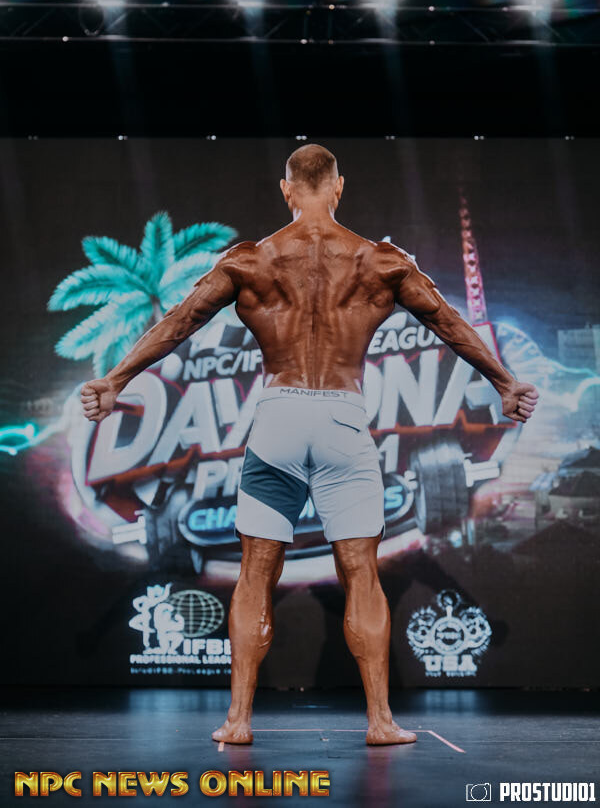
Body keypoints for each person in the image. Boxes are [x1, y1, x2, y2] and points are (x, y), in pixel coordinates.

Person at [80, 143, 539, 746]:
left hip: (278, 419)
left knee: (255, 573)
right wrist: (505, 383)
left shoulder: (251, 260)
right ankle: (380, 722)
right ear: (339, 187)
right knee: (361, 572)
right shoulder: (380, 261)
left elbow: (180, 322)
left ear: (286, 189)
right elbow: (449, 322)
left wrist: (115, 381)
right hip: (344, 419)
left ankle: (238, 721)